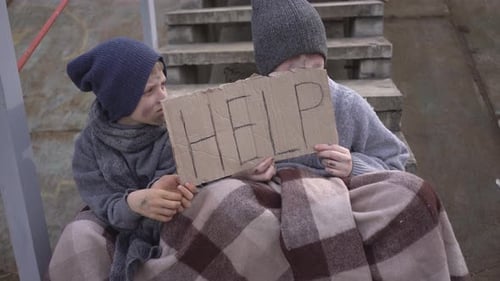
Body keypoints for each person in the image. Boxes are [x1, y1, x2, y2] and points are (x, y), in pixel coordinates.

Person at [47, 37, 199, 280]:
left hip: (167, 220)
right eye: (150, 90)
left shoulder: (174, 127)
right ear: (119, 99)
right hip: (114, 220)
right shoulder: (89, 146)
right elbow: (101, 201)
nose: (163, 96)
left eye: (163, 85)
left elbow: (187, 180)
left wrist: (162, 191)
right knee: (77, 235)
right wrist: (133, 203)